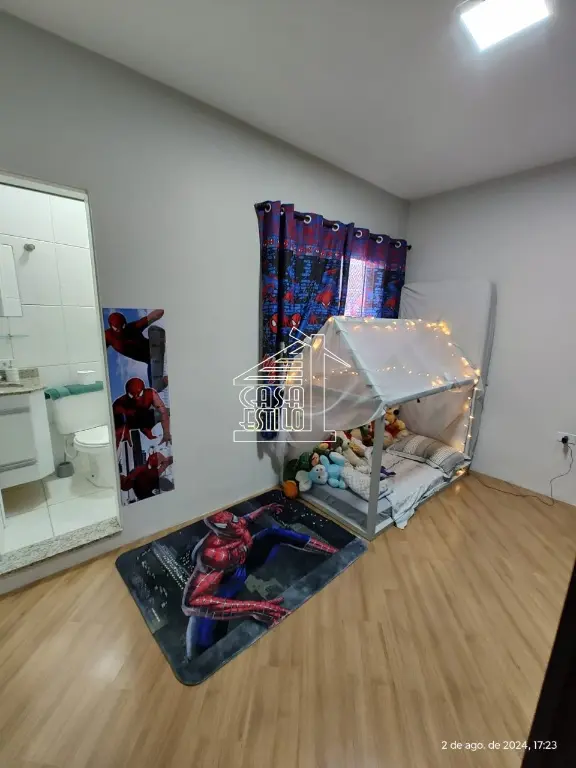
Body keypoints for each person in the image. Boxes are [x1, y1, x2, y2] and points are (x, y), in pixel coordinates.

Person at [105, 309, 167, 391]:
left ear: (125, 323)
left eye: (122, 326)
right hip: (150, 359)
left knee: (153, 331)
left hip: (154, 347)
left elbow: (151, 317)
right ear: (111, 327)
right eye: (117, 328)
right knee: (156, 388)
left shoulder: (133, 327)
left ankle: (160, 340)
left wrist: (165, 309)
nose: (120, 330)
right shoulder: (108, 336)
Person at [113, 377, 171, 447]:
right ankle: (144, 428)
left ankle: (146, 428)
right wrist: (124, 433)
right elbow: (118, 423)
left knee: (162, 412)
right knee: (120, 419)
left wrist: (166, 432)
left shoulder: (151, 394)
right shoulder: (119, 403)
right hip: (129, 421)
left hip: (141, 415)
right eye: (132, 395)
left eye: (139, 394)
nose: (136, 398)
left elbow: (163, 412)